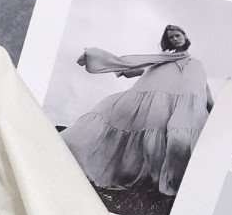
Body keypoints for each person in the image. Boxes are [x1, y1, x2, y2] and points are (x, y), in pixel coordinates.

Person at [60, 23, 214, 198]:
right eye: (171, 37)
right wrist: (100, 60)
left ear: (185, 36)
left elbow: (203, 88)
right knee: (152, 143)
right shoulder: (160, 61)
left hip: (184, 111)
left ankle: (180, 186)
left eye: (177, 35)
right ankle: (151, 183)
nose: (174, 39)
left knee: (179, 141)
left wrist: (214, 111)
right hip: (159, 107)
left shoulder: (197, 64)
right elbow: (134, 67)